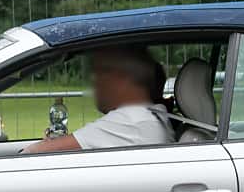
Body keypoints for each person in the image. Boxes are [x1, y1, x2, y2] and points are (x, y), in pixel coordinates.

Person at [23, 45, 171, 153]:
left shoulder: (132, 119)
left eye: (101, 72)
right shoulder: (151, 116)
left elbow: (33, 153)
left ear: (123, 79)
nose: (94, 81)